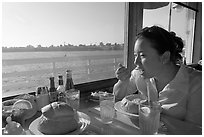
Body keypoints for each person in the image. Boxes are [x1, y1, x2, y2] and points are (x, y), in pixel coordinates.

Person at [113, 25, 202, 135]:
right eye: (135, 55)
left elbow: (196, 130)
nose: (136, 62)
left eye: (142, 55)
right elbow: (118, 96)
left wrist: (153, 115)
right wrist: (123, 81)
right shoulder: (139, 74)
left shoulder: (197, 82)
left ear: (164, 57)